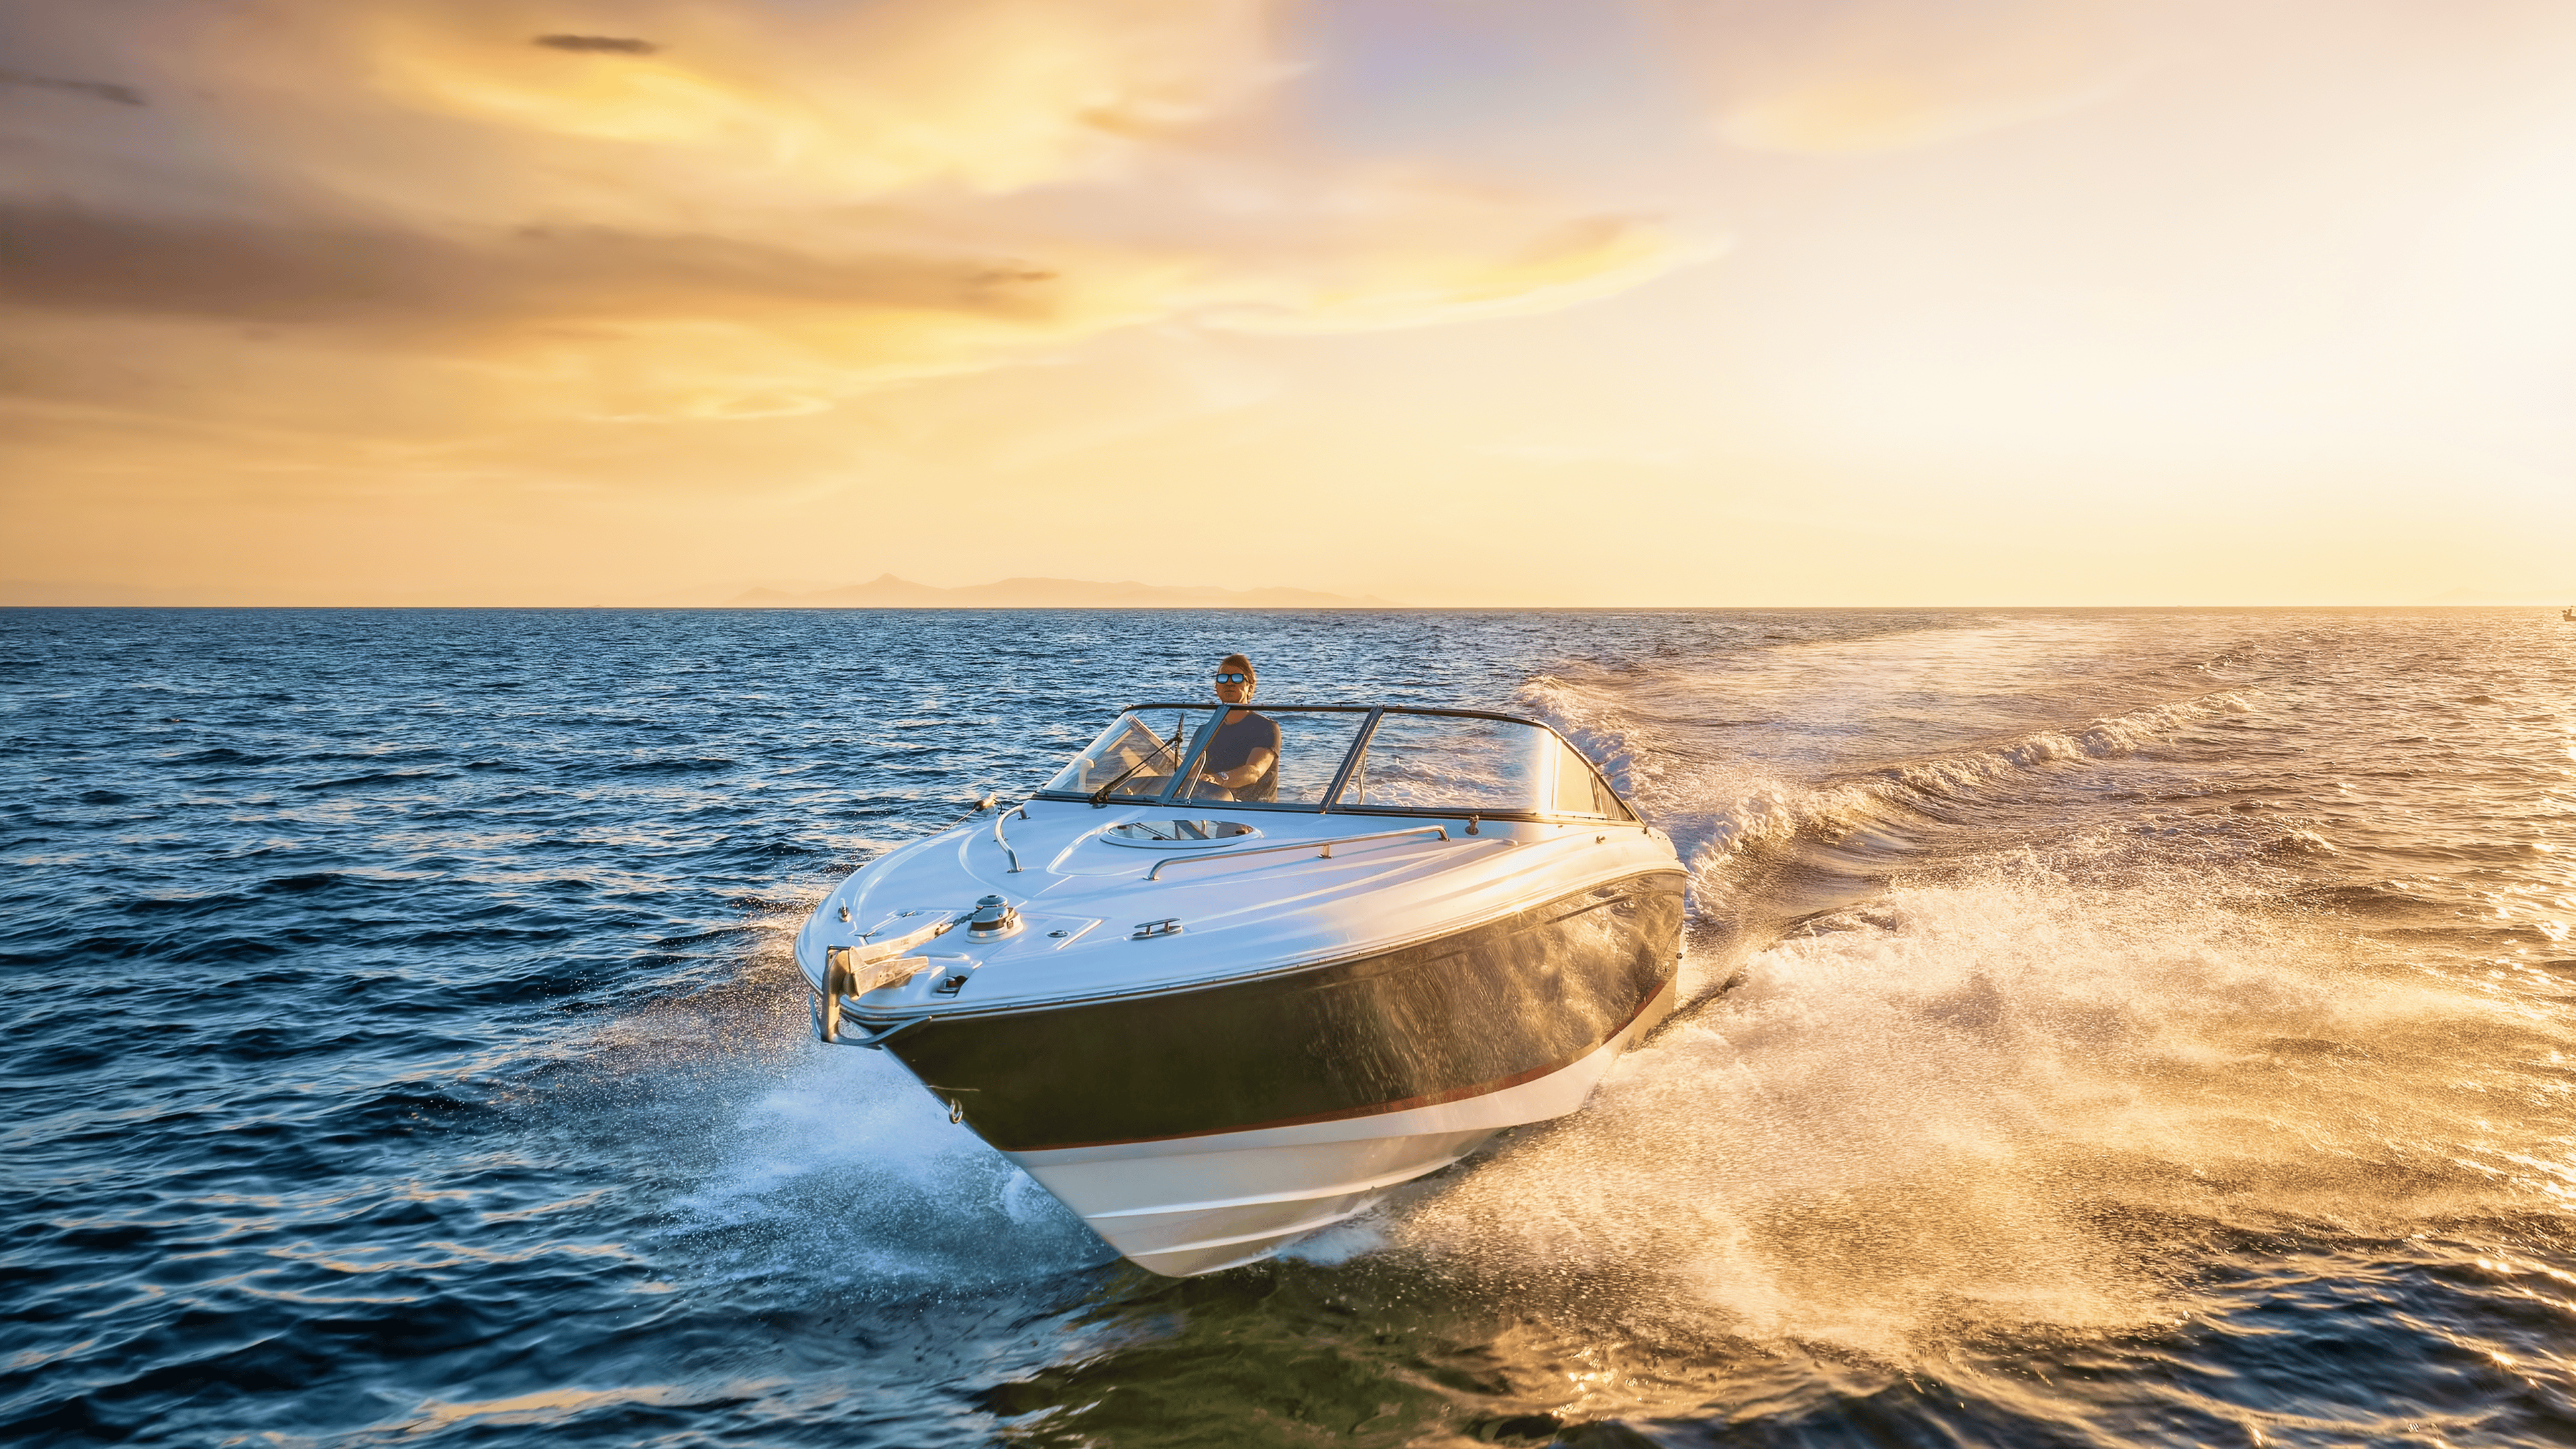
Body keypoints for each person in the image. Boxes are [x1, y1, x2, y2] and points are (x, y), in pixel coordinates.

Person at [1195, 653, 1280, 802]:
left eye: (1237, 678)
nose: (1229, 683)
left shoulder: (1267, 728)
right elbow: (1189, 772)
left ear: (1250, 687)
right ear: (1216, 688)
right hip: (1209, 811)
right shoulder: (1204, 732)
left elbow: (1254, 771)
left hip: (1253, 815)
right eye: (1223, 679)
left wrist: (1218, 779)